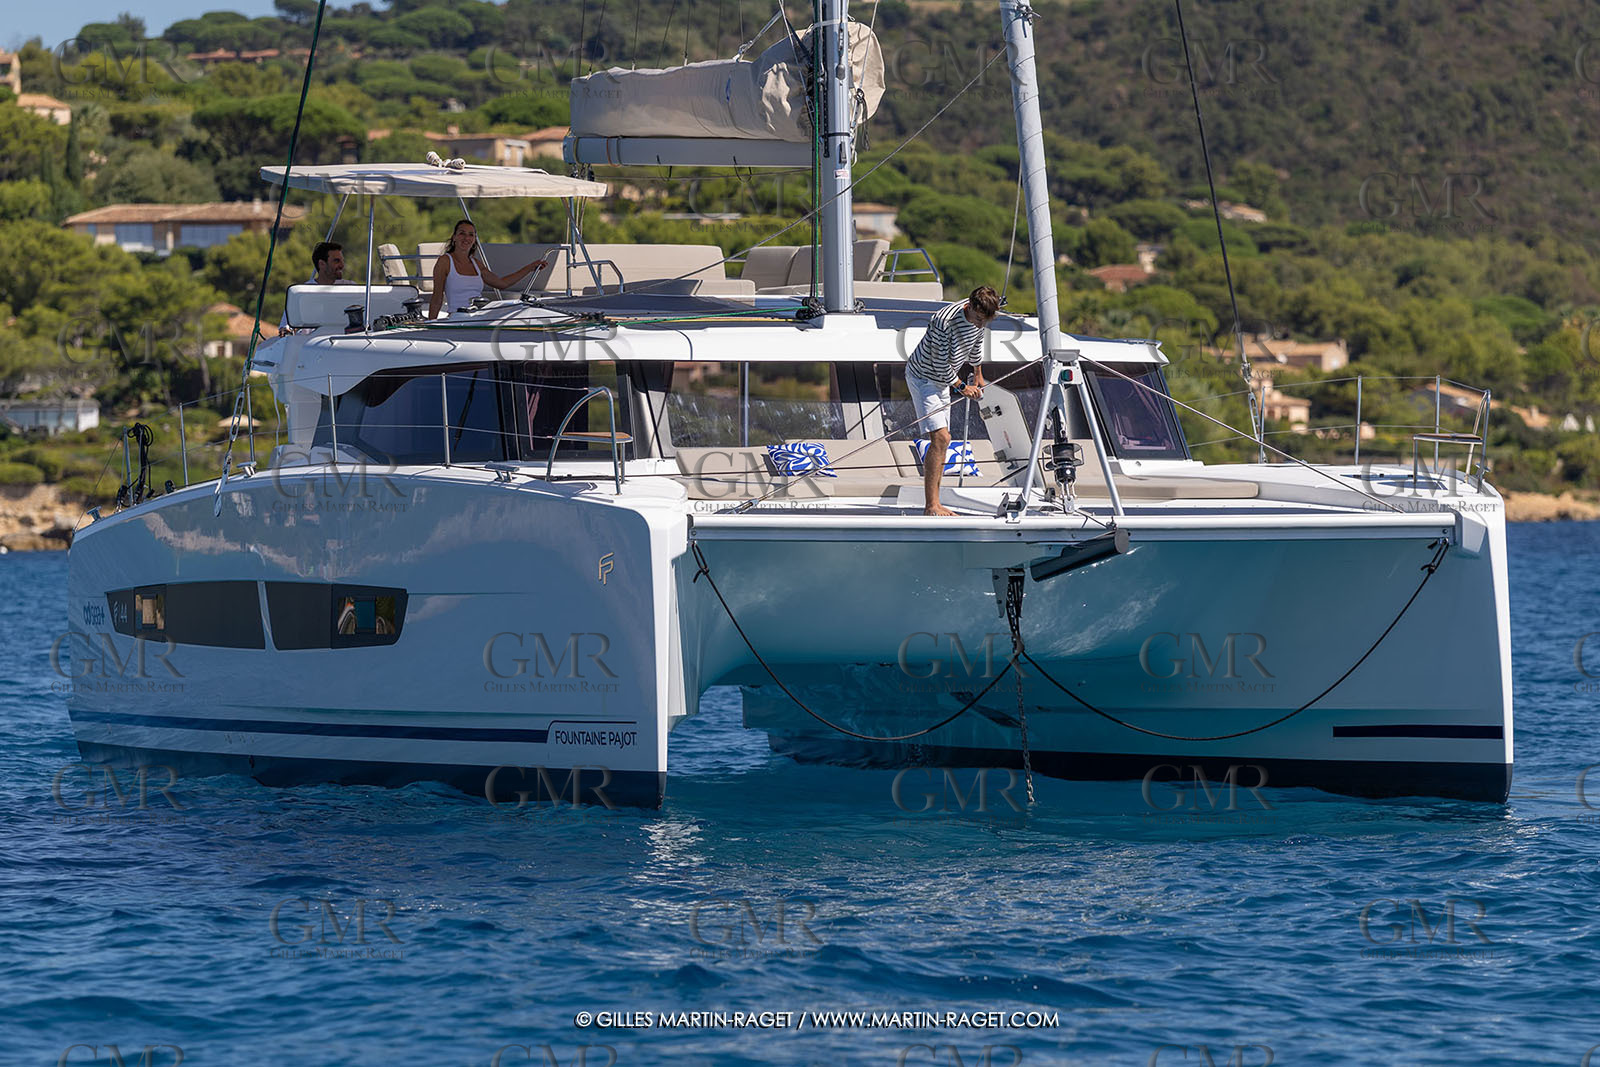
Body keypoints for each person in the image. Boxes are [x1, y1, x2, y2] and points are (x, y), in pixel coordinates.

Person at [906, 285, 1000, 516]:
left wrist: (977, 375)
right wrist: (961, 387)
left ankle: (935, 502)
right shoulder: (943, 321)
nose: (980, 325)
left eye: (985, 322)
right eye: (978, 319)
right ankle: (931, 506)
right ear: (970, 307)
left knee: (943, 442)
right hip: (924, 377)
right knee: (941, 437)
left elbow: (976, 344)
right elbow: (939, 364)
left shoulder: (981, 317)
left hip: (943, 379)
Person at [428, 220, 547, 319]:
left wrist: (530, 268)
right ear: (454, 237)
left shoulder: (476, 264)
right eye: (462, 233)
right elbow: (437, 298)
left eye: (471, 235)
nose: (466, 238)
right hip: (457, 317)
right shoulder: (445, 261)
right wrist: (430, 326)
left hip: (479, 316)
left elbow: (502, 283)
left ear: (474, 239)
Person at [278, 242, 348, 335]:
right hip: (311, 347)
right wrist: (288, 331)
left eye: (342, 261)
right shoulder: (301, 294)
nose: (342, 265)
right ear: (322, 264)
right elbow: (285, 328)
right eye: (336, 261)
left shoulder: (351, 288)